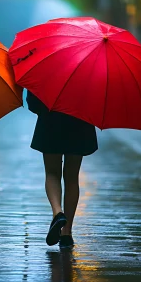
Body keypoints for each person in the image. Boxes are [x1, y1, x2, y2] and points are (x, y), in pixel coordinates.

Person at [26, 90, 98, 249]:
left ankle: (57, 212)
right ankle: (67, 234)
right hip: (80, 122)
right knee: (72, 177)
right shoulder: (90, 70)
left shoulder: (45, 68)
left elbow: (33, 103)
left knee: (52, 173)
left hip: (51, 121)